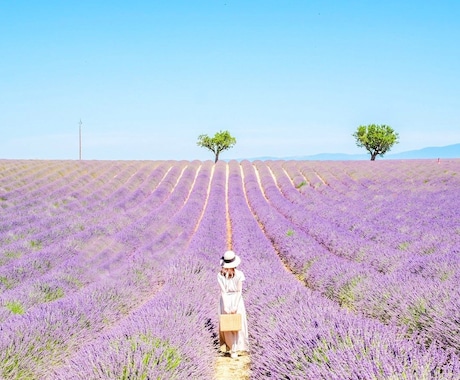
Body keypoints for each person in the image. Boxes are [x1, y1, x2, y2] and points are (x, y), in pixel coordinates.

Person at [217, 250, 249, 358]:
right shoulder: (220, 276)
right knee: (227, 325)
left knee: (237, 324)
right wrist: (226, 306)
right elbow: (223, 291)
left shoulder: (239, 275)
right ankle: (232, 348)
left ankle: (236, 348)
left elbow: (239, 291)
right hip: (226, 299)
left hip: (236, 299)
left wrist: (234, 306)